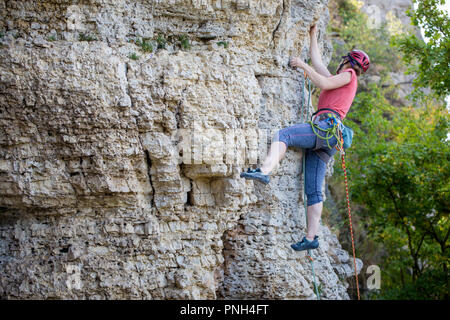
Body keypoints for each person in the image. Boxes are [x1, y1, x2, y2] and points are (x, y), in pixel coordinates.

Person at [240, 24, 370, 251]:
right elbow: (319, 64)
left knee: (284, 135)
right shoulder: (343, 79)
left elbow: (322, 82)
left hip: (324, 128)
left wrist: (301, 65)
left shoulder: (348, 75)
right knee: (313, 189)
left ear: (348, 62)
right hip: (329, 138)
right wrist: (312, 34)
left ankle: (264, 171)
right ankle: (311, 238)